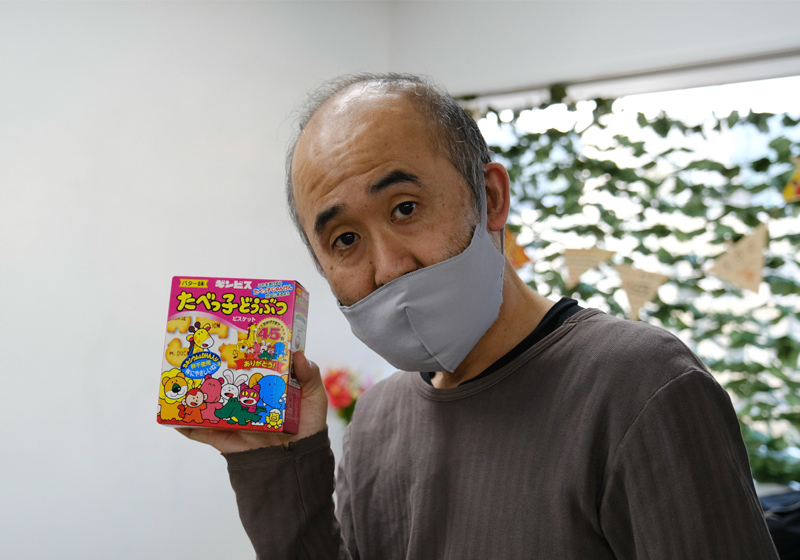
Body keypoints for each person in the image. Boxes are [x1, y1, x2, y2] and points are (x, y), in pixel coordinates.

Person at [180, 73, 778, 559]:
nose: (388, 266)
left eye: (405, 207)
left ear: (490, 197)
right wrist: (278, 462)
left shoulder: (640, 385)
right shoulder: (377, 422)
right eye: (345, 240)